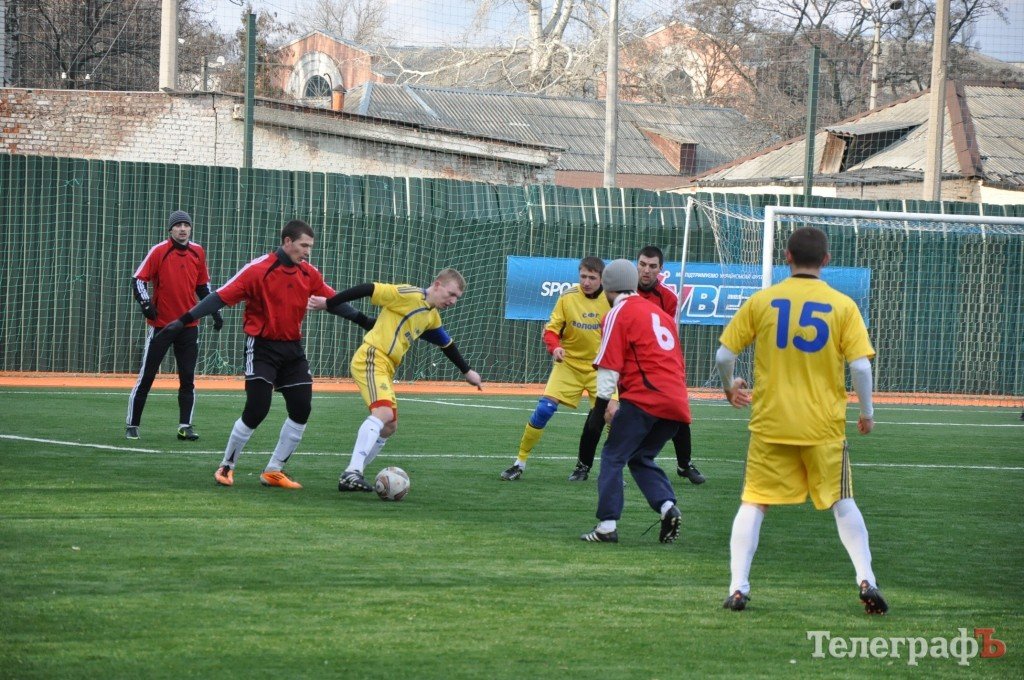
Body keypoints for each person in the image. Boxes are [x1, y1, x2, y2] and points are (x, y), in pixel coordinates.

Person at [715, 226, 887, 615]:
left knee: (755, 502)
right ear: (826, 260)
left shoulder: (762, 301)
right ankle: (866, 579)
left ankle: (738, 587)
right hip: (822, 426)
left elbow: (725, 356)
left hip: (771, 423)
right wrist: (867, 412)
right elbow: (861, 367)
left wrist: (729, 387)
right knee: (842, 501)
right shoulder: (843, 305)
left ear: (787, 257)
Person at [157, 219, 374, 489]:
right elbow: (219, 297)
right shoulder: (258, 269)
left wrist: (366, 321)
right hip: (261, 348)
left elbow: (334, 302)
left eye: (310, 246)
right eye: (303, 245)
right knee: (257, 409)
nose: (307, 252)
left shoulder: (309, 273)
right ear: (287, 242)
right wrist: (182, 320)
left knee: (302, 408)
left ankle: (274, 470)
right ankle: (227, 466)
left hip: (292, 350)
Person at [310, 268, 483, 492]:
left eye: (457, 298)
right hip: (372, 357)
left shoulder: (431, 316)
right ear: (437, 284)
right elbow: (368, 288)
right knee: (383, 413)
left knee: (390, 425)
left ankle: (352, 475)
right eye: (451, 294)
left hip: (387, 367)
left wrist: (467, 371)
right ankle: (352, 472)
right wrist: (329, 303)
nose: (453, 301)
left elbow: (446, 344)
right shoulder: (408, 294)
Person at [580, 259, 691, 544]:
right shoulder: (660, 314)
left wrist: (599, 410)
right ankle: (667, 506)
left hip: (645, 396)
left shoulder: (618, 313)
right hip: (676, 400)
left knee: (613, 456)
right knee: (640, 456)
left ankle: (607, 525)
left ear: (608, 286)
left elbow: (609, 366)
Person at [499, 257, 611, 482]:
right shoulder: (567, 297)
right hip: (568, 365)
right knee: (544, 409)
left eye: (592, 278)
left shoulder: (611, 299)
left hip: (601, 369)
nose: (586, 282)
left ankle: (613, 470)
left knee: (612, 417)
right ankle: (519, 463)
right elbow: (551, 330)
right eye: (583, 276)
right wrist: (555, 347)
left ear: (602, 278)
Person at [126, 210, 223, 441]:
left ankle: (185, 426)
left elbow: (203, 287)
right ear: (170, 229)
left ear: (190, 228)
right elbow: (138, 279)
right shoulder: (159, 251)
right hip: (161, 326)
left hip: (188, 326)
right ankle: (132, 424)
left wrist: (215, 311)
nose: (182, 229)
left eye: (186, 225)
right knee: (147, 376)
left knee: (187, 378)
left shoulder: (198, 252)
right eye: (178, 225)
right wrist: (146, 304)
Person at [635, 245, 705, 485]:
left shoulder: (668, 298)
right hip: (629, 365)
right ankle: (591, 465)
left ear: (660, 269)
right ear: (637, 264)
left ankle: (684, 465)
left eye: (652, 266)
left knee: (678, 411)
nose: (646, 270)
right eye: (642, 264)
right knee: (610, 412)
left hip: (658, 364)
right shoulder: (624, 293)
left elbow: (666, 336)